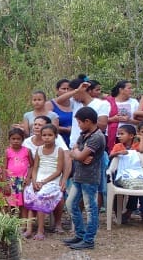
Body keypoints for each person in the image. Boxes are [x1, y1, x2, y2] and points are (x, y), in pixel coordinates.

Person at [64, 106, 106, 250]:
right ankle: (80, 234)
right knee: (70, 204)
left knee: (90, 208)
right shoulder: (85, 134)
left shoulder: (97, 137)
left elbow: (79, 155)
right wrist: (78, 154)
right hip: (79, 176)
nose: (79, 126)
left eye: (80, 123)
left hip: (89, 178)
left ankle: (89, 239)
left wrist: (78, 155)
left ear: (88, 121)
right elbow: (75, 152)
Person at [23, 124, 68, 240]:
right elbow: (35, 167)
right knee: (30, 193)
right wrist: (34, 181)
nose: (47, 137)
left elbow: (58, 171)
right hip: (38, 178)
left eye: (50, 135)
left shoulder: (59, 150)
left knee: (41, 195)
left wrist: (43, 182)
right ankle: (29, 229)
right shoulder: (39, 150)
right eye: (44, 135)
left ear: (55, 136)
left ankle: (40, 230)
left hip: (52, 179)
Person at [4, 127, 31, 218]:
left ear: (22, 139)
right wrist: (5, 183)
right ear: (9, 139)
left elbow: (32, 165)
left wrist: (28, 178)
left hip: (22, 181)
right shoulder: (7, 152)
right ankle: (10, 221)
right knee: (10, 202)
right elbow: (4, 168)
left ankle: (23, 223)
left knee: (22, 203)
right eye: (13, 139)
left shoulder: (27, 151)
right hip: (11, 181)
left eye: (18, 139)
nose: (16, 141)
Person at [106, 80, 139, 148]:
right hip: (112, 135)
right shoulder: (108, 102)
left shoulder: (134, 102)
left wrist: (129, 120)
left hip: (130, 137)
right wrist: (113, 119)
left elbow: (140, 121)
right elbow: (100, 121)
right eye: (129, 88)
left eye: (131, 88)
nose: (131, 90)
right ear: (121, 90)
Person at [51, 79, 74, 147]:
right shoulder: (50, 105)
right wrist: (66, 129)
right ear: (57, 90)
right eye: (63, 89)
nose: (66, 91)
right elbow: (45, 124)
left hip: (74, 141)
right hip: (57, 141)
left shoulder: (75, 103)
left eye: (68, 89)